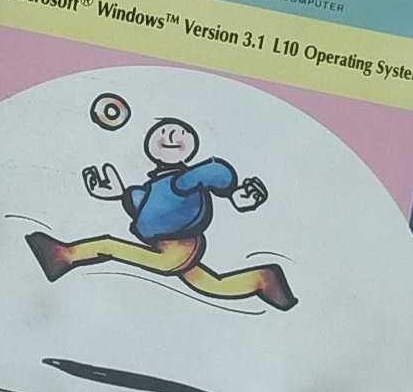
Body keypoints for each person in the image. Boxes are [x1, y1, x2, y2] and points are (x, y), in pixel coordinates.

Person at [25, 117, 297, 311]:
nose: (170, 136)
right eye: (163, 132)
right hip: (166, 244)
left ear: (191, 144)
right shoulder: (157, 185)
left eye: (179, 133)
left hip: (180, 246)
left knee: (109, 246)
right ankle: (261, 279)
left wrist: (234, 192)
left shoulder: (183, 181)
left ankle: (64, 255)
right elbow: (143, 204)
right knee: (210, 284)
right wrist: (119, 193)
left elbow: (216, 173)